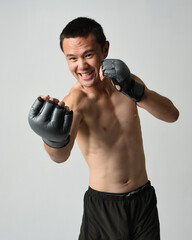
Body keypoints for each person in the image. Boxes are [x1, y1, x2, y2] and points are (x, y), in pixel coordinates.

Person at [28, 17, 179, 240]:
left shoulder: (125, 83)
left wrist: (137, 92)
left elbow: (172, 115)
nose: (81, 66)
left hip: (144, 200)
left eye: (88, 55)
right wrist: (52, 141)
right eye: (72, 58)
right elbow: (60, 157)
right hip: (104, 207)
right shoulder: (76, 102)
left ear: (105, 49)